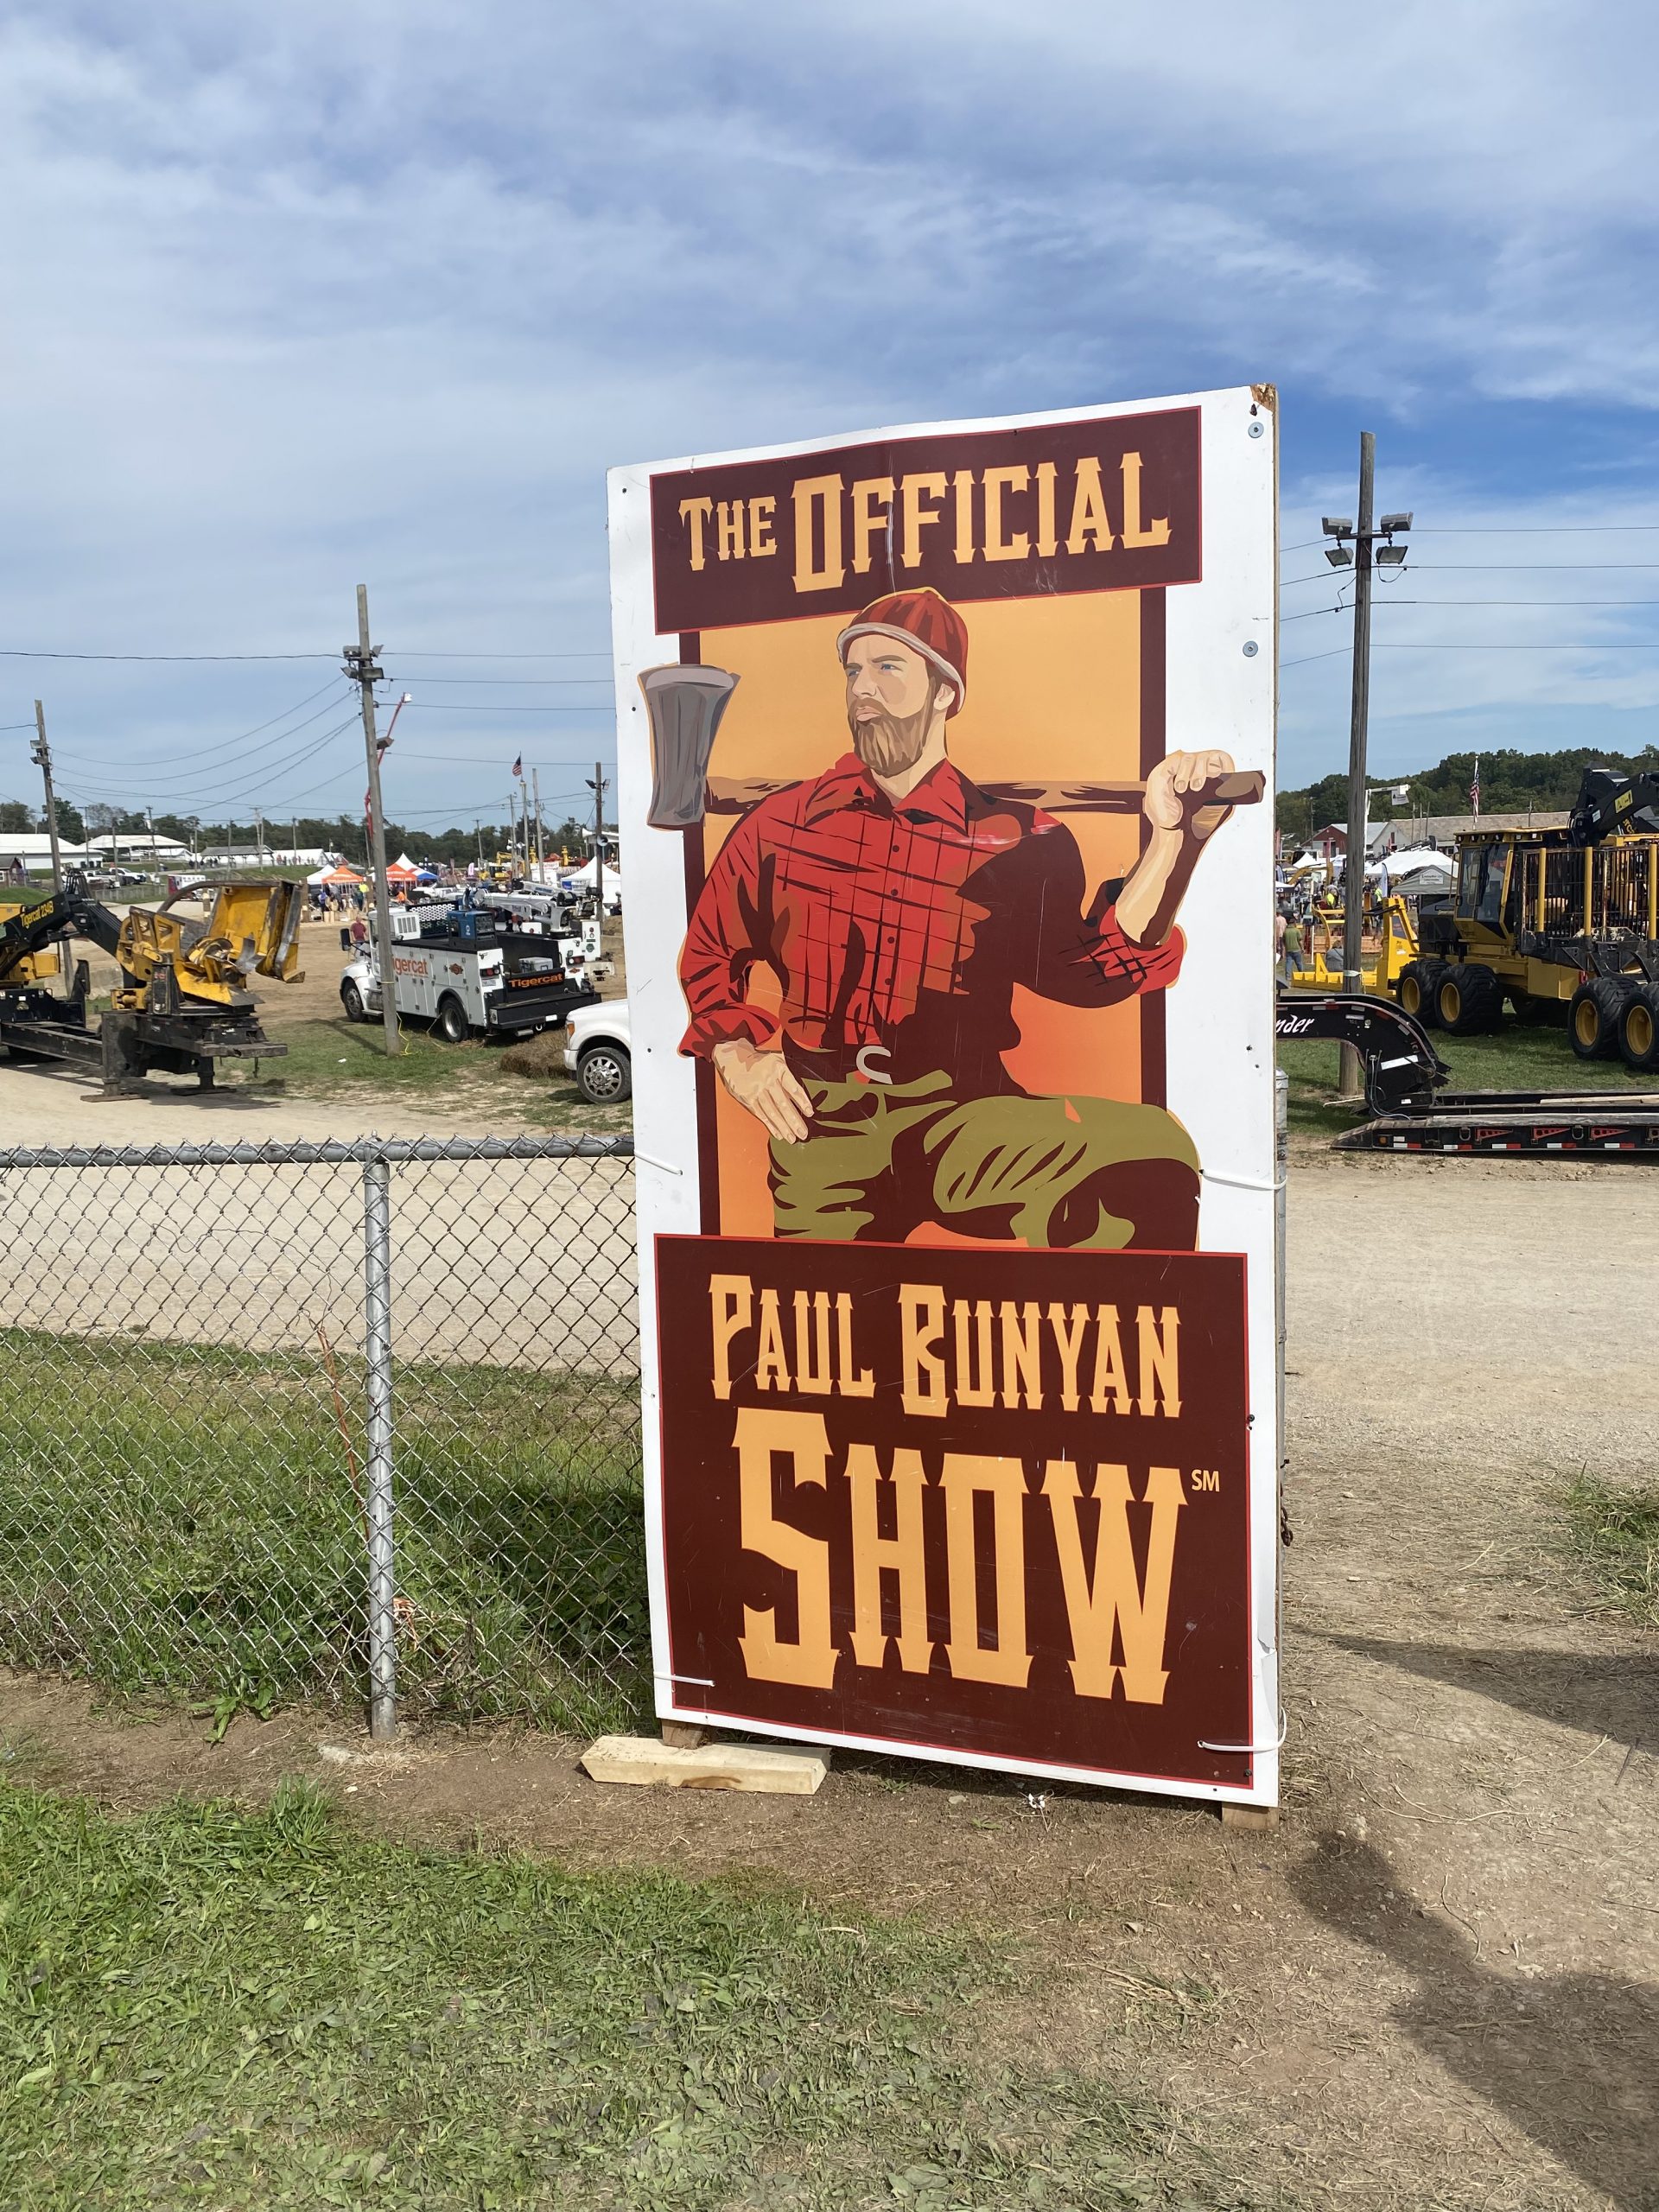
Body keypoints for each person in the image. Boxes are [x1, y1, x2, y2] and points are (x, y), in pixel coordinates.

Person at [677, 586, 1239, 1253]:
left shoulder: (1022, 840)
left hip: (964, 1116)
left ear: (946, 691)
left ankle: (1076, 1340)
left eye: (889, 668)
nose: (863, 688)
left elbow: (1093, 972)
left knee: (1150, 1151)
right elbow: (710, 954)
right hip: (822, 1124)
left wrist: (1175, 842)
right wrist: (736, 1054)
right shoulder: (781, 827)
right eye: (853, 671)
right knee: (827, 1329)